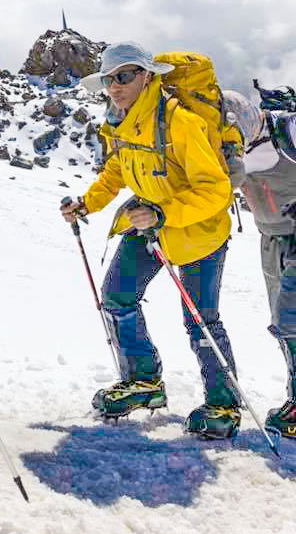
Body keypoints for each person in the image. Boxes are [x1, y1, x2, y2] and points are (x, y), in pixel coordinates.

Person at [61, 42, 242, 439]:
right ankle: (144, 382)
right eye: (109, 79)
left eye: (124, 75)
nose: (115, 86)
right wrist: (87, 204)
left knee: (201, 321)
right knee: (117, 296)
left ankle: (224, 405)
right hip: (147, 224)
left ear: (147, 76)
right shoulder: (121, 121)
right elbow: (116, 171)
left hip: (197, 231)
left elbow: (216, 190)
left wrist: (164, 214)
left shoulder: (180, 123)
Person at [223, 90, 296, 439]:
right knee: (283, 325)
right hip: (270, 239)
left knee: (290, 320)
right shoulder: (225, 148)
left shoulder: (289, 133)